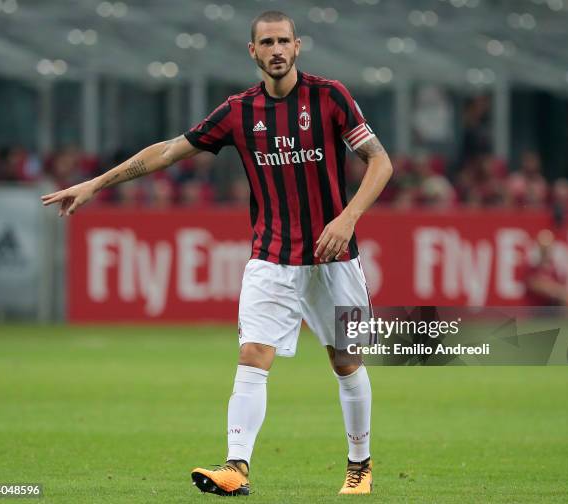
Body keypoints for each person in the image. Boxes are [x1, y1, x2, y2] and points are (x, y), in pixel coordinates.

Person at [41, 10, 393, 496]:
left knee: (346, 362)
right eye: (266, 42)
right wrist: (96, 183)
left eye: (283, 41)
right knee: (253, 355)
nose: (276, 50)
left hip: (335, 256)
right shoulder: (237, 111)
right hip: (271, 257)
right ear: (252, 51)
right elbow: (167, 151)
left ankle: (359, 465)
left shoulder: (329, 97)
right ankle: (236, 467)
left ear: (298, 46)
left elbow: (379, 160)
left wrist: (347, 217)